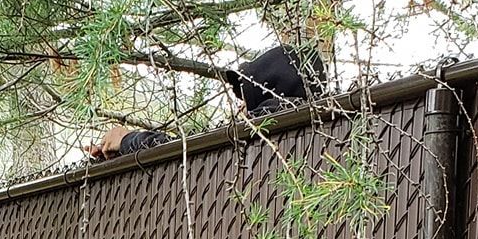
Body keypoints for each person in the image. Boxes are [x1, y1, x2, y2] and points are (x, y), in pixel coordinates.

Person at [86, 41, 325, 160]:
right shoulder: (321, 136)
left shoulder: (264, 128)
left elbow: (182, 152)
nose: (240, 106)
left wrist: (127, 140)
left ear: (269, 87)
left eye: (246, 96)